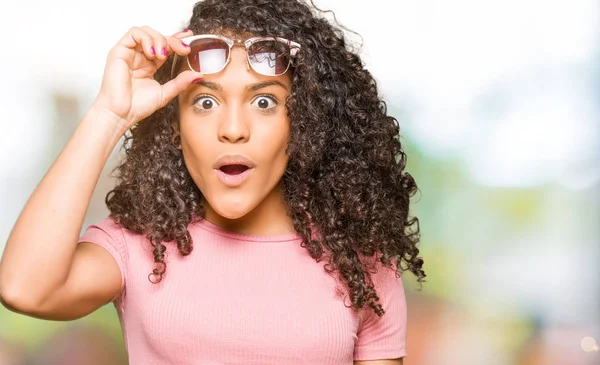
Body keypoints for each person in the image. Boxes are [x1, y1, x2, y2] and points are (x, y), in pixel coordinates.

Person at [0, 0, 426, 364]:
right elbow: (25, 289)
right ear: (176, 126)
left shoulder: (361, 262)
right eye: (206, 101)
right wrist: (110, 115)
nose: (233, 129)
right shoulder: (139, 246)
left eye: (264, 101)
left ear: (304, 122)